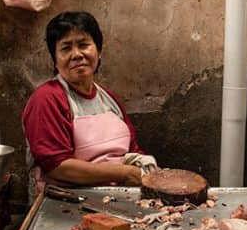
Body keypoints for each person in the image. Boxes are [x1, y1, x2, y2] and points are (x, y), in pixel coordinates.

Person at [22, 11, 156, 194]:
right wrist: (122, 174)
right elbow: (56, 166)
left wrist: (143, 167)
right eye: (65, 48)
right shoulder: (47, 98)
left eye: (83, 45)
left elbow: (132, 149)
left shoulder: (108, 98)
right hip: (65, 201)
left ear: (99, 52)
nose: (76, 54)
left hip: (117, 197)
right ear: (55, 60)